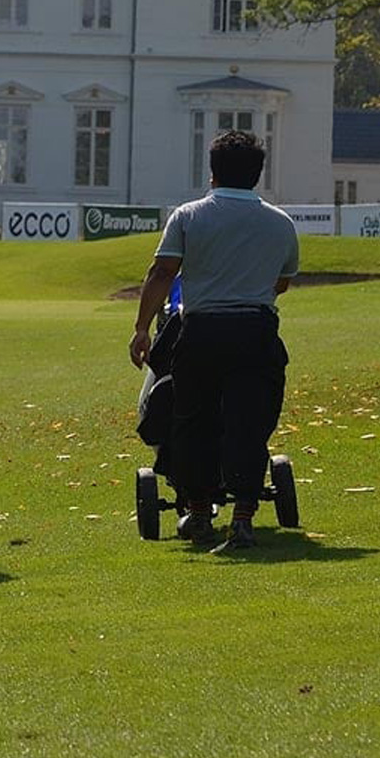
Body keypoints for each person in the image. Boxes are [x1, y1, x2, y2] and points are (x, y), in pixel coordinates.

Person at [129, 131, 298, 551]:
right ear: (258, 174)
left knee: (193, 419)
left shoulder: (189, 216)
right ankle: (243, 513)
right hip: (256, 329)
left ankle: (200, 509)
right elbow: (281, 281)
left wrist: (141, 328)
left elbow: (163, 273)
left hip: (202, 329)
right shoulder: (280, 223)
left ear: (212, 173)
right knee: (250, 418)